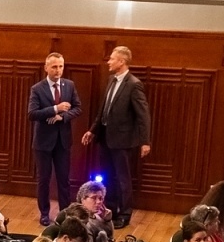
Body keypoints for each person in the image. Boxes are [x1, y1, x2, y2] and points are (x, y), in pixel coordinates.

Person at [80, 46, 151, 224]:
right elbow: (103, 110)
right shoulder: (111, 79)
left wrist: (145, 141)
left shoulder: (134, 84)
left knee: (123, 179)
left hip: (123, 141)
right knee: (107, 178)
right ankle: (109, 210)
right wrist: (92, 130)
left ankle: (125, 215)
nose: (109, 62)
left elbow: (143, 115)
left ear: (122, 61)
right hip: (105, 139)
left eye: (112, 59)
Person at [27, 53, 81, 225]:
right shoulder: (37, 89)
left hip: (63, 141)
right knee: (44, 179)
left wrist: (62, 116)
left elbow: (77, 108)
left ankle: (65, 213)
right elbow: (32, 114)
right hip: (43, 142)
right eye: (54, 67)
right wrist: (55, 109)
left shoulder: (69, 85)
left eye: (61, 66)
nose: (58, 70)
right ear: (46, 68)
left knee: (64, 179)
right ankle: (44, 213)